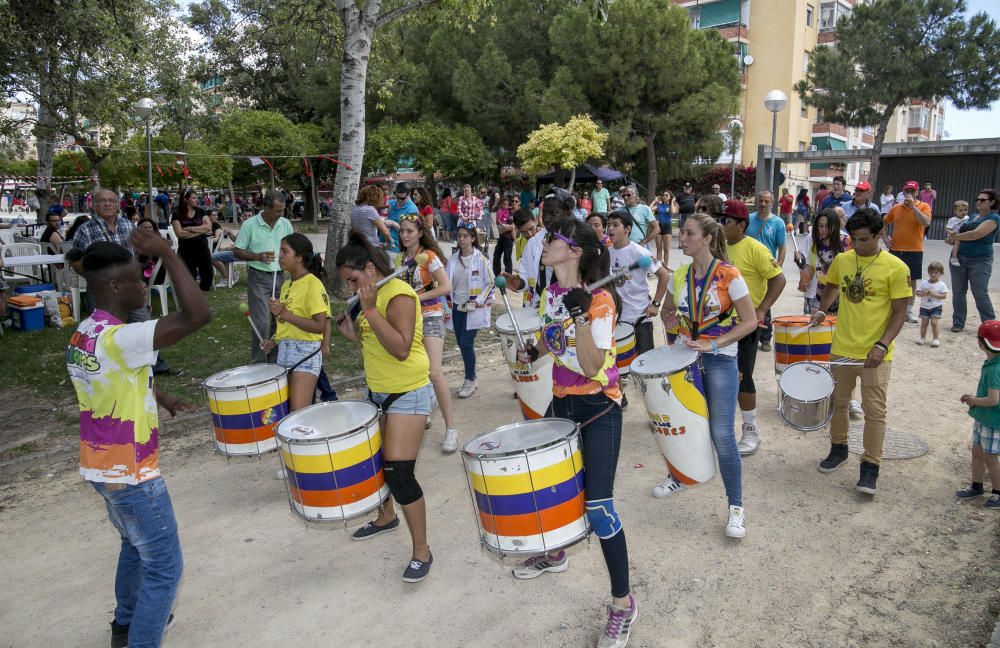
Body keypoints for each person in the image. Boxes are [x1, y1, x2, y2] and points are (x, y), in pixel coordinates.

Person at [67, 228, 211, 648]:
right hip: (132, 473)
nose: (144, 284)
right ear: (113, 286)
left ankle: (124, 626)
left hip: (99, 465)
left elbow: (107, 384)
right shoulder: (122, 338)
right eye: (136, 278)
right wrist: (168, 250)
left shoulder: (85, 333)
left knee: (134, 547)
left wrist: (158, 395)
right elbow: (198, 315)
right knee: (164, 567)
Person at [509, 217, 636, 648]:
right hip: (560, 403)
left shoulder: (599, 302)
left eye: (553, 240)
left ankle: (623, 605)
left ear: (576, 252)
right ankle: (557, 550)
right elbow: (552, 336)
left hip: (599, 406)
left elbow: (590, 364)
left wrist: (581, 314)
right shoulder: (551, 292)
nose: (543, 244)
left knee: (598, 508)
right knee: (553, 490)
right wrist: (536, 349)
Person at [334, 232, 435, 583]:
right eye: (346, 283)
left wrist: (371, 309)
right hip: (378, 392)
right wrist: (353, 332)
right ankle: (385, 517)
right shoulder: (370, 297)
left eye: (353, 279)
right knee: (377, 465)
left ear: (370, 268)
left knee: (399, 474)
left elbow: (402, 348)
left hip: (408, 391)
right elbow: (373, 341)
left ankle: (422, 551)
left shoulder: (399, 295)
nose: (350, 288)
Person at [656, 213, 757, 534]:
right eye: (682, 233)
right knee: (684, 424)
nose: (681, 238)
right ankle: (681, 476)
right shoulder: (680, 274)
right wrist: (672, 325)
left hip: (720, 359)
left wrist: (714, 346)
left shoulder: (730, 276)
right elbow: (667, 311)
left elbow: (749, 322)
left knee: (722, 434)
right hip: (685, 360)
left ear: (708, 238)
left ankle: (736, 506)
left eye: (688, 233)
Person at [809, 208, 910, 496]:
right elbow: (830, 287)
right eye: (853, 238)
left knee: (874, 411)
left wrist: (882, 344)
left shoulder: (896, 268)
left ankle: (870, 467)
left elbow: (900, 313)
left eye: (864, 239)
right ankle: (838, 449)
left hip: (876, 353)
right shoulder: (843, 259)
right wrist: (821, 310)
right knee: (838, 404)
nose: (857, 245)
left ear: (880, 235)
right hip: (842, 347)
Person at [718, 199, 786, 456]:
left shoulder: (755, 249)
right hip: (717, 325)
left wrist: (761, 310)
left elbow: (778, 279)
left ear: (741, 225)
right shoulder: (716, 247)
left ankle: (750, 430)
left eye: (725, 221)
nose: (720, 225)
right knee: (716, 376)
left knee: (742, 375)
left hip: (745, 325)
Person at [262, 233, 329, 478]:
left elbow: (319, 326)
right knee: (288, 413)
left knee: (297, 413)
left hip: (306, 353)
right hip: (286, 350)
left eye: (284, 252)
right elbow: (285, 324)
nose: (279, 256)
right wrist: (273, 341)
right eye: (280, 252)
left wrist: (285, 314)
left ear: (299, 258)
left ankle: (300, 464)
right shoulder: (287, 284)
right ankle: (299, 460)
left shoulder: (313, 284)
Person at [397, 213, 459, 451]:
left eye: (409, 231)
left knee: (434, 373)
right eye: (402, 231)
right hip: (408, 321)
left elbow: (446, 286)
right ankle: (425, 410)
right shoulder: (400, 258)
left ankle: (451, 428)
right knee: (417, 372)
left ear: (420, 233)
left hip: (431, 317)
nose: (404, 235)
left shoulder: (429, 257)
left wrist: (416, 296)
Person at [233, 189, 293, 364]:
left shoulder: (285, 224)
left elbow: (291, 247)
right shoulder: (250, 224)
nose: (281, 214)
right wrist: (257, 256)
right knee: (261, 322)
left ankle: (275, 362)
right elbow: (237, 251)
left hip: (280, 276)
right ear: (266, 207)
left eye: (283, 210)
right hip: (258, 276)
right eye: (278, 210)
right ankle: (258, 363)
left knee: (279, 321)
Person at [607, 210, 670, 361]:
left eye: (615, 225)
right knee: (621, 367)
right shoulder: (607, 253)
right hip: (618, 320)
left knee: (646, 365)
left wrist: (655, 304)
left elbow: (664, 275)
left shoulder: (639, 252)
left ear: (627, 229)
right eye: (608, 225)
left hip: (640, 318)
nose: (610, 229)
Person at [499, 188, 575, 308]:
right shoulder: (534, 243)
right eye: (545, 212)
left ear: (567, 212)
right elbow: (527, 276)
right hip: (537, 308)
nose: (547, 218)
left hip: (566, 310)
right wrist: (517, 283)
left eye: (554, 213)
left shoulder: (577, 240)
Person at [446, 222, 495, 402]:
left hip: (473, 310)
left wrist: (478, 301)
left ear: (473, 238)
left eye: (465, 236)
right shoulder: (452, 259)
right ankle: (471, 376)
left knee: (466, 344)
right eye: (459, 236)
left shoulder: (481, 259)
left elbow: (491, 283)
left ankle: (470, 379)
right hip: (457, 308)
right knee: (461, 343)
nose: (461, 239)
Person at [957, 320, 1000, 510]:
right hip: (984, 418)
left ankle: (998, 493)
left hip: (992, 420)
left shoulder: (994, 369)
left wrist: (973, 400)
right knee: (977, 452)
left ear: (981, 344)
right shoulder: (993, 363)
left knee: (991, 457)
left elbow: (993, 400)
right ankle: (976, 485)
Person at [947, 189, 1000, 332]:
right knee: (958, 292)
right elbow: (961, 233)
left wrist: (955, 237)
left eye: (983, 200)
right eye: (978, 199)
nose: (979, 202)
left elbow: (976, 234)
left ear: (992, 202)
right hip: (959, 258)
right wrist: (952, 240)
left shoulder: (994, 218)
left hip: (980, 261)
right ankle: (958, 322)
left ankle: (990, 325)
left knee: (980, 293)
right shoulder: (973, 217)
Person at [883, 180, 932, 323]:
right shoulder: (896, 208)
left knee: (911, 280)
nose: (909, 194)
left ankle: (909, 311)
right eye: (907, 191)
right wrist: (886, 239)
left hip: (914, 249)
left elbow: (925, 222)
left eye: (912, 191)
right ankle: (892, 309)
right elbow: (883, 222)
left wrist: (913, 208)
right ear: (903, 192)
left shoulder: (923, 206)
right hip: (896, 249)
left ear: (917, 192)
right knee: (891, 279)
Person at [747, 191, 786, 353]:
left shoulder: (778, 223)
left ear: (772, 203)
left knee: (765, 303)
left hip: (767, 270)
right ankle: (748, 334)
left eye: (766, 202)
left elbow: (782, 247)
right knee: (748, 300)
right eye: (761, 201)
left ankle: (765, 337)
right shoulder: (749, 219)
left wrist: (779, 266)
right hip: (749, 269)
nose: (763, 204)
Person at [797, 208, 846, 315]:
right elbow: (810, 272)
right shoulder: (815, 246)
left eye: (827, 226)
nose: (824, 229)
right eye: (821, 226)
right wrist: (801, 265)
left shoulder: (847, 242)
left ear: (835, 225)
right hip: (820, 297)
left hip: (844, 298)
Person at [170, 189, 214, 291]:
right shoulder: (177, 213)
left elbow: (208, 227)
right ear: (186, 200)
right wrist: (200, 231)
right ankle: (190, 304)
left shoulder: (201, 211)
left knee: (208, 274)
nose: (196, 200)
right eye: (194, 198)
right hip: (186, 249)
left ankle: (202, 302)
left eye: (196, 198)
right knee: (189, 277)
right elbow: (179, 233)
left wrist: (190, 229)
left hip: (202, 247)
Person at [915, 262, 947, 347]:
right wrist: (924, 293)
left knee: (934, 323)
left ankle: (936, 338)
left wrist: (934, 294)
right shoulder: (924, 283)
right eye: (931, 272)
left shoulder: (941, 284)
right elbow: (917, 293)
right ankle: (922, 337)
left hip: (936, 307)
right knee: (924, 323)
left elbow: (944, 296)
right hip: (924, 306)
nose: (933, 274)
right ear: (928, 272)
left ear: (941, 273)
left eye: (936, 273)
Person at [620, 186, 658, 253]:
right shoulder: (619, 211)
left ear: (636, 196)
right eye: (623, 195)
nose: (625, 197)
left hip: (639, 248)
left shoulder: (645, 209)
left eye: (628, 195)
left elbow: (656, 229)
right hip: (623, 248)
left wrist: (644, 242)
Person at [386, 182, 418, 254]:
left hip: (398, 249)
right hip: (383, 246)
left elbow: (410, 232)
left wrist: (393, 223)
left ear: (409, 194)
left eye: (402, 198)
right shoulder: (391, 203)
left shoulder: (411, 209)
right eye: (397, 197)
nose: (399, 201)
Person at [650, 190, 677, 267]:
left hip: (667, 227)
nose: (664, 196)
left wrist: (672, 202)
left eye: (666, 195)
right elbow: (649, 209)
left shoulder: (671, 206)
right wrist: (654, 201)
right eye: (663, 195)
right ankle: (658, 267)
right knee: (659, 249)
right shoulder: (660, 205)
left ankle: (665, 266)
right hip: (659, 227)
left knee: (666, 249)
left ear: (670, 197)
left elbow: (672, 212)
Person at [492, 196, 514, 275]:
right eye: (504, 204)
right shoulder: (500, 211)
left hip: (508, 237)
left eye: (507, 204)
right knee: (496, 255)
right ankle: (496, 274)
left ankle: (509, 275)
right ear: (501, 204)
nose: (506, 206)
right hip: (502, 235)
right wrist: (503, 226)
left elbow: (512, 226)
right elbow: (498, 221)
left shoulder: (510, 210)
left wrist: (507, 227)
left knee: (507, 257)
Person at [945, 200, 970, 268]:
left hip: (963, 235)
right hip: (954, 235)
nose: (963, 212)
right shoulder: (953, 219)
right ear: (955, 211)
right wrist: (951, 232)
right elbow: (947, 228)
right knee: (957, 241)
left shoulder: (967, 218)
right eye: (960, 210)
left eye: (965, 210)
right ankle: (954, 257)